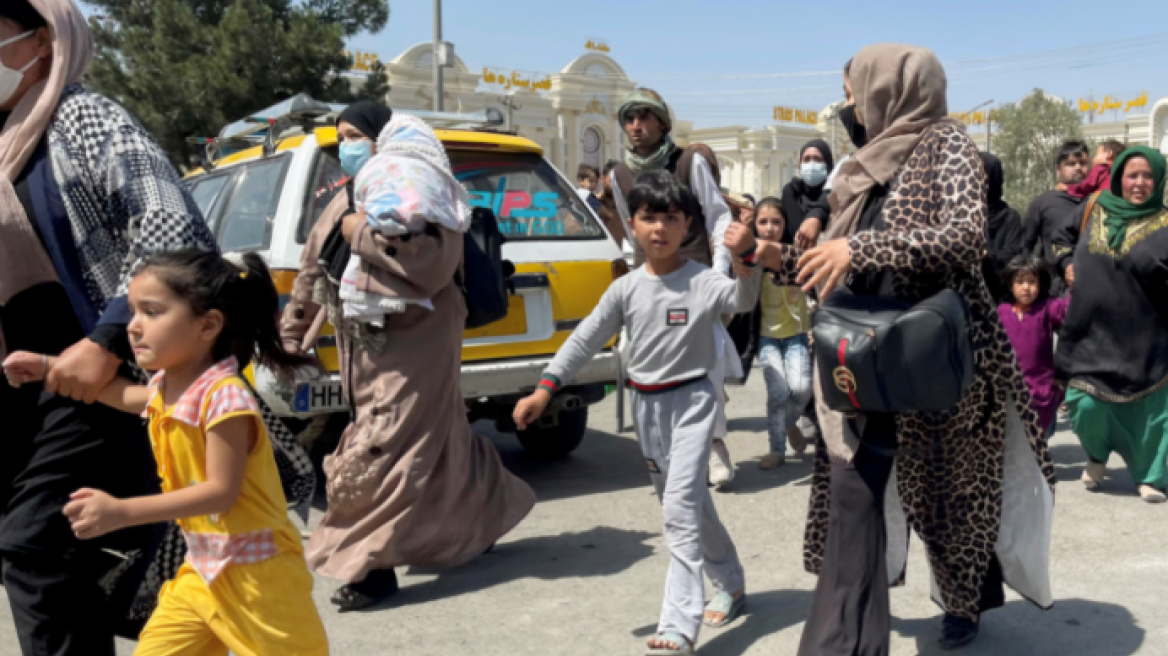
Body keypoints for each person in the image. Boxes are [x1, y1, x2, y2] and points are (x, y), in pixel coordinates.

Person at [0, 1, 305, 652]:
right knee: (58, 553)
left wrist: (108, 337)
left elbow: (170, 227)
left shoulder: (78, 119)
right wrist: (48, 366)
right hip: (39, 380)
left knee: (33, 542)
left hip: (94, 374)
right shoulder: (4, 140)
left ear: (43, 43)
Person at [744, 45, 1056, 654]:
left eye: (855, 89)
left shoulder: (947, 144)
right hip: (862, 353)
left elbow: (967, 237)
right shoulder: (862, 165)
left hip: (936, 354)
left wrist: (862, 251)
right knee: (855, 493)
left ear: (892, 87)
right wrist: (774, 260)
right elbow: (833, 262)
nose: (849, 104)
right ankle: (852, 621)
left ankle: (964, 603)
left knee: (950, 494)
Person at [4, 250, 330, 656]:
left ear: (208, 325)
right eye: (134, 312)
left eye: (152, 312)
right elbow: (122, 395)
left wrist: (122, 511)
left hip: (258, 576)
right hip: (203, 571)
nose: (134, 327)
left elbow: (219, 492)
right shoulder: (169, 388)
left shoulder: (225, 397)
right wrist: (49, 366)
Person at [282, 107, 536, 611]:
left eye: (356, 136)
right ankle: (486, 516)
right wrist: (292, 330)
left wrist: (359, 230)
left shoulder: (422, 198)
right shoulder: (344, 200)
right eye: (342, 139)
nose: (347, 147)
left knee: (385, 442)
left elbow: (429, 267)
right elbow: (312, 268)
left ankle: (370, 566)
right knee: (440, 438)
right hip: (365, 346)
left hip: (419, 341)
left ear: (383, 139)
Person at [514, 171, 758, 656]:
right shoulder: (625, 289)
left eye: (671, 218)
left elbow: (741, 300)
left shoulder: (704, 281)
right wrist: (545, 388)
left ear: (687, 223)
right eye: (649, 218)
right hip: (647, 408)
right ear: (633, 224)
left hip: (692, 403)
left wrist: (744, 259)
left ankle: (679, 624)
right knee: (688, 504)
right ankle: (730, 581)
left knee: (679, 513)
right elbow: (585, 338)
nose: (659, 228)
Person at [608, 87, 741, 488]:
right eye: (629, 119)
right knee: (639, 357)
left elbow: (717, 216)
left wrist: (718, 274)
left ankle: (714, 442)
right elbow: (630, 234)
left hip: (696, 275)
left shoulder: (689, 162)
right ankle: (672, 448)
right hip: (649, 281)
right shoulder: (618, 174)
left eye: (644, 117)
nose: (636, 126)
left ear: (662, 122)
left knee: (709, 361)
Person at [1052, 146, 1168, 504]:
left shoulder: (1165, 223)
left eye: (1148, 176)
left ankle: (1149, 476)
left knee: (1149, 413)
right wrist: (1067, 264)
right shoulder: (1094, 207)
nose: (1140, 183)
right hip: (1090, 332)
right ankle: (1097, 457)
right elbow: (1059, 240)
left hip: (1145, 338)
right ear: (1119, 176)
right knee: (1085, 406)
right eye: (1133, 175)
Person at [752, 198, 810, 470]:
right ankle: (776, 450)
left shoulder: (795, 255)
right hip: (766, 338)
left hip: (796, 335)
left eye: (776, 221)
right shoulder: (751, 260)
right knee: (778, 392)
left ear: (785, 224)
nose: (769, 227)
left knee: (800, 388)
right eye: (762, 221)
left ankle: (789, 425)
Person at [998, 255, 1069, 436]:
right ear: (1009, 284)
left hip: (1042, 391)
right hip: (1008, 391)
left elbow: (1071, 309)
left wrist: (1075, 283)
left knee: (1040, 441)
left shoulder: (1047, 308)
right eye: (1020, 282)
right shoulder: (1001, 312)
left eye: (1031, 282)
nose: (1026, 288)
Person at [1022, 141, 1091, 297]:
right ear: (1058, 169)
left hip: (1093, 285)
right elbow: (1026, 247)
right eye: (1071, 164)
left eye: (1083, 163)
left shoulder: (1097, 201)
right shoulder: (1043, 203)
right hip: (1054, 290)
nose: (1078, 168)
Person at [980, 152, 1026, 303]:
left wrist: (987, 256)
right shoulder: (962, 214)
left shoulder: (1009, 217)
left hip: (999, 295)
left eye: (982, 172)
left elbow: (1013, 252)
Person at [780, 139, 835, 248]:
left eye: (818, 159)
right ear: (800, 164)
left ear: (828, 164)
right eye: (806, 159)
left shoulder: (838, 192)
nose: (811, 164)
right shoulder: (791, 192)